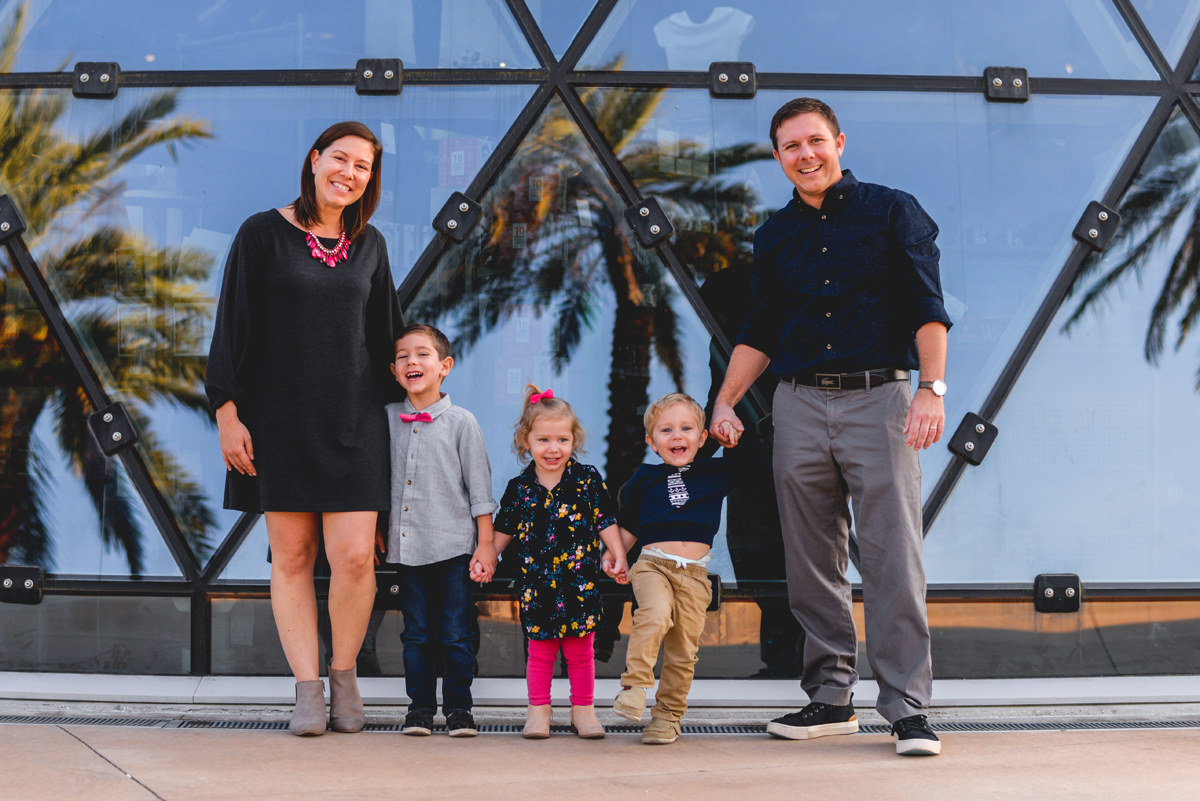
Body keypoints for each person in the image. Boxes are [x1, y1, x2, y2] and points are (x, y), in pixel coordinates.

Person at [709, 97, 950, 757]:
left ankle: (907, 710)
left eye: (814, 141)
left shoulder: (892, 209)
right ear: (779, 157)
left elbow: (927, 305)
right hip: (799, 404)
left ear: (839, 141)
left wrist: (931, 388)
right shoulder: (775, 234)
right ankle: (832, 697)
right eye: (790, 146)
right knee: (811, 559)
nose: (805, 155)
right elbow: (759, 329)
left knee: (892, 555)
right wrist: (726, 401)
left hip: (882, 399)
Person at [206, 121, 402, 737]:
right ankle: (308, 690)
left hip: (354, 422)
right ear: (314, 160)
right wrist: (227, 411)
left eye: (362, 166)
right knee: (291, 557)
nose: (349, 173)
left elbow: (386, 338)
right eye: (339, 159)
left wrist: (426, 387)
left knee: (352, 559)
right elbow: (230, 324)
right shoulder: (262, 233)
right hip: (278, 423)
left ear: (370, 179)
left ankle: (344, 678)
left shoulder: (370, 245)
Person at [374, 323, 497, 737]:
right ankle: (420, 710)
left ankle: (460, 710)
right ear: (393, 370)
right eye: (404, 356)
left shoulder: (462, 422)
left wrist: (485, 546)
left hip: (453, 549)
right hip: (407, 550)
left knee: (457, 634)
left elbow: (480, 491)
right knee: (417, 634)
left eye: (422, 354)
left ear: (445, 366)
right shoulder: (385, 420)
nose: (413, 361)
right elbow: (374, 481)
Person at [492, 385, 631, 740]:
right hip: (536, 588)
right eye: (543, 440)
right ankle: (538, 712)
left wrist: (617, 553)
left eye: (562, 440)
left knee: (580, 654)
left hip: (579, 586)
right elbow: (503, 529)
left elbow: (605, 520)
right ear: (526, 441)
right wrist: (487, 557)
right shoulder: (519, 488)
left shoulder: (586, 481)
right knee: (539, 654)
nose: (553, 449)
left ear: (574, 440)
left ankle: (583, 711)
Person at [612, 393, 735, 745]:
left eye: (686, 428)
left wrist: (729, 433)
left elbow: (749, 457)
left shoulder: (717, 472)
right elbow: (630, 524)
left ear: (702, 437)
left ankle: (667, 717)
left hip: (695, 575)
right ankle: (635, 685)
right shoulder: (644, 478)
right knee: (654, 614)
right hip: (653, 565)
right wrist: (617, 556)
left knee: (683, 652)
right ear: (651, 442)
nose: (677, 436)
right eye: (666, 430)